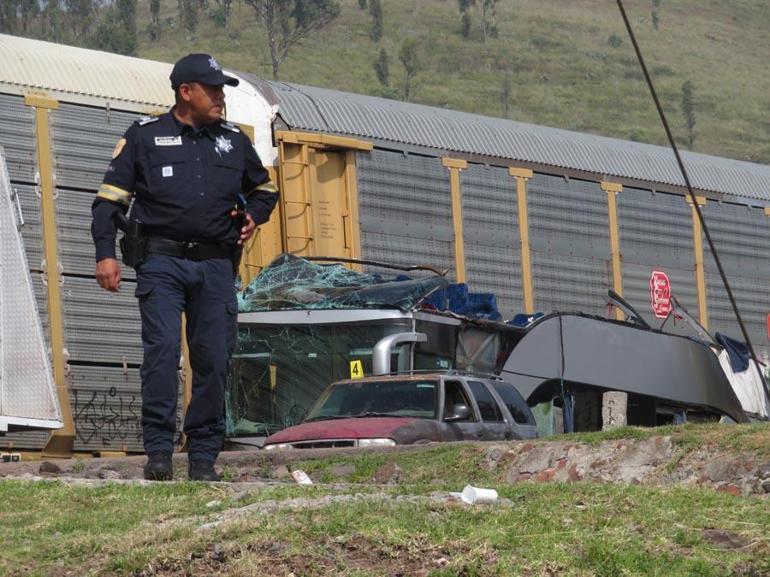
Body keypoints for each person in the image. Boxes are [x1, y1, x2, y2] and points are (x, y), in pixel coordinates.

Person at [91, 53, 279, 481]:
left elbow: (265, 191)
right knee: (161, 355)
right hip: (161, 262)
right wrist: (105, 254)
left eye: (222, 90)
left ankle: (203, 457)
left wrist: (255, 215)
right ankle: (159, 452)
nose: (220, 98)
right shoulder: (145, 137)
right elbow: (108, 203)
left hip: (215, 266)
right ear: (185, 92)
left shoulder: (234, 141)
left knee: (213, 359)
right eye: (212, 90)